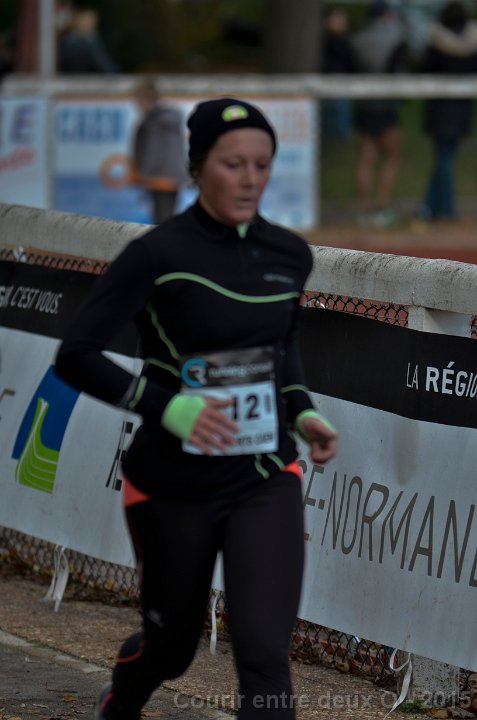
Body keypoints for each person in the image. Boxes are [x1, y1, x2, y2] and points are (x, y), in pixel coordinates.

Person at [54, 97, 339, 720]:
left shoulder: (291, 255)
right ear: (197, 167)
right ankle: (121, 699)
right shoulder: (156, 256)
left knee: (264, 654)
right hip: (171, 484)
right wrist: (166, 408)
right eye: (233, 165)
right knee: (172, 648)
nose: (250, 179)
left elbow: (281, 352)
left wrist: (302, 413)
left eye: (262, 165)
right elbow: (75, 355)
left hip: (264, 475)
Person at [415, 1, 477, 222]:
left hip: (440, 109)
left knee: (444, 159)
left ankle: (444, 209)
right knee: (446, 158)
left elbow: (425, 69)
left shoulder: (437, 43)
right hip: (462, 109)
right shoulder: (472, 44)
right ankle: (428, 207)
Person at [350, 0, 407, 228]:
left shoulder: (357, 39)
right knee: (392, 156)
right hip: (385, 105)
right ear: (386, 14)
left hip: (364, 104)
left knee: (366, 159)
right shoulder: (395, 38)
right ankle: (381, 207)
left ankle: (364, 209)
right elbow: (398, 73)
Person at [131, 81, 187, 224]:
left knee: (160, 221)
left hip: (158, 177)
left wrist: (143, 174)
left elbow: (151, 151)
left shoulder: (152, 122)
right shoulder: (171, 118)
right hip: (174, 176)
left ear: (145, 100)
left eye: (138, 101)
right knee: (168, 218)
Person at [321, 6, 356, 139]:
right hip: (327, 87)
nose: (342, 22)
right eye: (337, 19)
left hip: (342, 87)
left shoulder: (346, 42)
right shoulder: (324, 42)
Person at [58, 7, 118, 74]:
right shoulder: (88, 43)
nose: (92, 25)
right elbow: (105, 67)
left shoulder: (68, 41)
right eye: (88, 21)